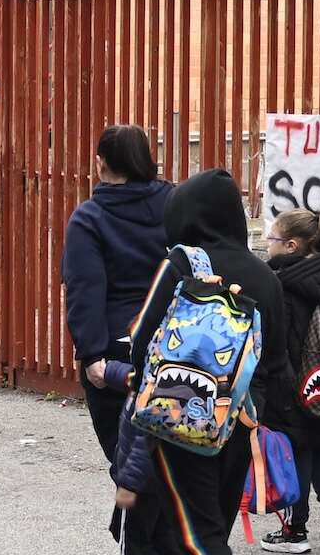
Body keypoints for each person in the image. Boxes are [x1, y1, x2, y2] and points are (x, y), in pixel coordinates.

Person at [117, 168, 293, 554]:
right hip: (241, 421)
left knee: (197, 536)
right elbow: (278, 361)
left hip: (181, 415)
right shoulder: (267, 277)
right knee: (213, 521)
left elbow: (143, 340)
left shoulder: (182, 265)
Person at [62, 125, 172, 463]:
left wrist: (92, 356)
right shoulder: (174, 203)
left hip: (118, 349)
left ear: (100, 163)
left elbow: (85, 289)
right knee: (174, 456)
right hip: (175, 343)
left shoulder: (90, 218)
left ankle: (141, 515)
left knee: (127, 461)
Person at [260, 208, 320, 553]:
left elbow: (279, 342)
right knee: (315, 445)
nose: (263, 244)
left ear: (290, 245)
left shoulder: (284, 284)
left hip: (293, 383)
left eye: (269, 239)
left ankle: (295, 531)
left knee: (296, 450)